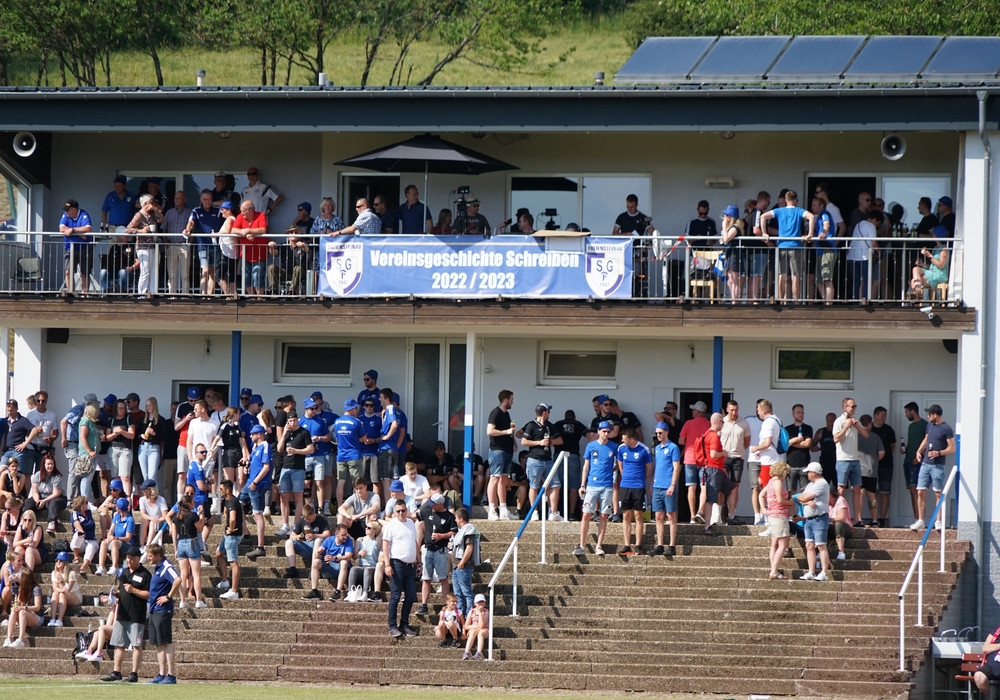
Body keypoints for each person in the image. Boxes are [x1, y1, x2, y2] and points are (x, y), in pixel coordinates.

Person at [100, 546, 151, 683]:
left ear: (138, 558)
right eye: (127, 558)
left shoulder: (145, 574)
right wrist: (113, 595)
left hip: (136, 616)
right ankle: (116, 672)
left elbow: (148, 594)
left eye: (131, 558)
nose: (129, 561)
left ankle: (134, 673)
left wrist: (133, 590)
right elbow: (121, 591)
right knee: (118, 644)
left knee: (136, 645)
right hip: (122, 614)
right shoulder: (124, 573)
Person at [759, 189, 815, 301]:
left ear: (785, 200)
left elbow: (763, 217)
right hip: (795, 246)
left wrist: (764, 233)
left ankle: (781, 301)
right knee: (795, 276)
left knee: (782, 275)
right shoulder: (799, 211)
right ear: (795, 200)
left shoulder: (779, 211)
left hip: (782, 246)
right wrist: (810, 234)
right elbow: (812, 217)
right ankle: (796, 301)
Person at [574, 421, 616, 557]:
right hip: (592, 484)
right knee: (586, 514)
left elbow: (619, 463)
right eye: (604, 431)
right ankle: (581, 545)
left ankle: (599, 545)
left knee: (604, 515)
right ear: (598, 431)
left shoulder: (613, 446)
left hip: (607, 485)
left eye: (608, 432)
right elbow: (586, 466)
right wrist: (582, 485)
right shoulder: (591, 446)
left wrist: (612, 470)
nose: (606, 434)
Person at [911, 404, 955, 531]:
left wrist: (939, 453)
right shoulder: (929, 426)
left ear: (935, 415)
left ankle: (938, 521)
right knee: (920, 491)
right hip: (925, 464)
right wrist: (919, 451)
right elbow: (926, 439)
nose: (928, 416)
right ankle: (920, 520)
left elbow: (952, 448)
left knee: (938, 493)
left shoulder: (946, 428)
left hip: (937, 465)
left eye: (929, 414)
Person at [382, 499, 419, 638]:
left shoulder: (411, 523)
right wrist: (387, 564)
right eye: (398, 511)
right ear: (394, 511)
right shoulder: (391, 525)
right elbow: (385, 545)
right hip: (396, 564)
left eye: (403, 510)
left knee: (410, 595)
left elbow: (415, 543)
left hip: (410, 565)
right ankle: (392, 626)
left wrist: (419, 561)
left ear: (407, 510)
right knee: (395, 595)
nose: (401, 513)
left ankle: (404, 624)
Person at [416, 492, 457, 615]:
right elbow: (416, 515)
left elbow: (454, 532)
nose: (431, 506)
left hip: (441, 550)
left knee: (443, 578)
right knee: (426, 578)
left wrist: (441, 536)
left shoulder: (449, 516)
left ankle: (446, 605)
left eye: (434, 504)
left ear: (440, 504)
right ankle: (424, 605)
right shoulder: (428, 511)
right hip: (428, 548)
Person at [145, 543, 180, 684]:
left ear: (158, 555)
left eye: (150, 556)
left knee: (166, 641)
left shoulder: (166, 566)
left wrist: (168, 596)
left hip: (163, 610)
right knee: (158, 643)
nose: (148, 558)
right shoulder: (157, 568)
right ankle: (161, 674)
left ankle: (171, 675)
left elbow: (178, 579)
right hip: (154, 610)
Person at [165, 488, 206, 609]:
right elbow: (200, 529)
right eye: (193, 502)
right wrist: (201, 515)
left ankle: (182, 601)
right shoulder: (193, 515)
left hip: (181, 543)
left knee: (183, 574)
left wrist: (175, 549)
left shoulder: (176, 517)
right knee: (196, 574)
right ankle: (198, 600)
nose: (194, 503)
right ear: (188, 504)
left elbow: (174, 534)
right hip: (192, 542)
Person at [616, 427, 652, 554]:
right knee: (626, 515)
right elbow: (620, 463)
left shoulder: (644, 449)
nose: (622, 441)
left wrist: (641, 479)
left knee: (638, 515)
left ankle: (638, 545)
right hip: (625, 485)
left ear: (631, 440)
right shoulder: (621, 448)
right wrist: (624, 475)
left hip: (638, 486)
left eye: (624, 439)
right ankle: (627, 545)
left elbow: (649, 467)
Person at [833, 397, 868, 528]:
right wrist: (846, 427)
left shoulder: (854, 421)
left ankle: (857, 518)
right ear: (845, 407)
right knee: (841, 489)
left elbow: (866, 435)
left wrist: (857, 425)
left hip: (855, 459)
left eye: (855, 406)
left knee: (857, 489)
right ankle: (839, 516)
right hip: (843, 459)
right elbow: (836, 438)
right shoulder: (839, 421)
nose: (854, 408)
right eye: (852, 406)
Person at [795, 463, 831, 581]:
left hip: (819, 518)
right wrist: (807, 502)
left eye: (809, 472)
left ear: (814, 473)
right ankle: (811, 571)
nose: (807, 474)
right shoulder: (810, 485)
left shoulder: (822, 483)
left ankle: (824, 572)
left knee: (821, 545)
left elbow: (804, 497)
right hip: (809, 519)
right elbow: (800, 498)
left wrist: (805, 499)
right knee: (809, 545)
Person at [649, 421, 680, 557]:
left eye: (660, 433)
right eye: (657, 433)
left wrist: (672, 485)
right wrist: (651, 483)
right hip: (657, 485)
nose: (658, 435)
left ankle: (672, 545)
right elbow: (657, 467)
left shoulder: (673, 447)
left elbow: (676, 467)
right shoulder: (657, 448)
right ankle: (660, 544)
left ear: (667, 432)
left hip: (668, 485)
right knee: (658, 516)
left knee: (671, 515)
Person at [126, 193, 166, 296]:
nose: (153, 205)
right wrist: (141, 231)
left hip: (154, 246)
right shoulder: (139, 215)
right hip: (143, 246)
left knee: (154, 271)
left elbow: (162, 220)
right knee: (145, 270)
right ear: (145, 203)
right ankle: (142, 293)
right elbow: (129, 229)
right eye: (152, 203)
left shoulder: (152, 214)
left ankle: (152, 292)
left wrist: (156, 209)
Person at [486, 390, 516, 521]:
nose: (512, 402)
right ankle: (492, 510)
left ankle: (503, 510)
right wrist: (506, 432)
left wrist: (514, 441)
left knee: (503, 480)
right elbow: (490, 431)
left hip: (507, 450)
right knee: (494, 478)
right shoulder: (495, 412)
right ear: (505, 400)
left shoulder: (506, 414)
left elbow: (509, 432)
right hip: (497, 450)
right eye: (511, 400)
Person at [303, 524, 353, 601]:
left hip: (342, 568)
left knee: (344, 562)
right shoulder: (329, 540)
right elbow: (317, 556)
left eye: (346, 534)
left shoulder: (348, 541)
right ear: (336, 534)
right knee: (316, 562)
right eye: (343, 535)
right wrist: (318, 552)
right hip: (330, 567)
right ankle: (314, 591)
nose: (345, 537)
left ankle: (338, 591)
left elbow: (348, 556)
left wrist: (335, 558)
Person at [679, 400, 710, 525]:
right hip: (704, 459)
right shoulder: (709, 424)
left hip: (690, 458)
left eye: (693, 410)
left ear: (697, 411)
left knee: (691, 487)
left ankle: (692, 516)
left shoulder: (688, 423)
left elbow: (681, 441)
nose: (692, 411)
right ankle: (700, 511)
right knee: (704, 486)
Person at [760, 460, 792, 580]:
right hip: (779, 515)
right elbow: (780, 500)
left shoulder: (770, 481)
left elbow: (761, 495)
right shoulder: (778, 482)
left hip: (772, 515)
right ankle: (774, 571)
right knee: (783, 544)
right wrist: (790, 502)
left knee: (774, 544)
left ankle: (774, 569)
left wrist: (763, 508)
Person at [59, 198, 95, 296]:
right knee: (68, 271)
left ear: (74, 209)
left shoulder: (84, 214)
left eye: (68, 210)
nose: (66, 212)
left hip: (84, 248)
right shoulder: (65, 215)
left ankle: (84, 295)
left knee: (84, 272)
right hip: (69, 248)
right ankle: (71, 293)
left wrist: (73, 231)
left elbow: (88, 228)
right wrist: (79, 233)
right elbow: (62, 228)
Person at [215, 480, 243, 600]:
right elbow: (227, 513)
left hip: (232, 536)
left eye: (221, 489)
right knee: (219, 553)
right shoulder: (227, 500)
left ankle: (234, 591)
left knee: (233, 562)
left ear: (227, 490)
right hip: (228, 536)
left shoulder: (232, 501)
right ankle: (225, 580)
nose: (219, 490)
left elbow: (232, 518)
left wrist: (231, 529)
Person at [24, 453, 65, 534]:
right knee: (28, 502)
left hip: (55, 498)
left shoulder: (57, 476)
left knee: (54, 503)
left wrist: (44, 501)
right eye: (48, 464)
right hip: (40, 497)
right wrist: (38, 501)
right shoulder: (37, 475)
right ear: (44, 465)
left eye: (52, 464)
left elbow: (56, 493)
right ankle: (25, 521)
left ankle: (52, 522)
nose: (50, 466)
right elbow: (35, 491)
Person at [2, 567, 42, 648]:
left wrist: (23, 608)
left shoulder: (36, 588)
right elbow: (19, 604)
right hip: (26, 614)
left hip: (37, 617)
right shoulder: (22, 588)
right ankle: (9, 638)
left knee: (22, 612)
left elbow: (37, 607)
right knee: (15, 610)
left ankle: (20, 640)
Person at [451, 507, 479, 615]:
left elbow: (469, 547)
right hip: (456, 567)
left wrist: (462, 562)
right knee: (458, 594)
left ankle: (468, 615)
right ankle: (460, 615)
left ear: (461, 519)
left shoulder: (469, 529)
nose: (455, 520)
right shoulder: (460, 531)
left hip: (463, 567)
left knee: (466, 592)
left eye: (456, 518)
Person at [96, 497, 135, 576]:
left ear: (120, 508)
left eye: (116, 505)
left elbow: (128, 538)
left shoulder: (130, 520)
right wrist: (108, 537)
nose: (115, 506)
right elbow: (111, 529)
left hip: (127, 544)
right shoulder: (117, 516)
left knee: (114, 542)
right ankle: (101, 567)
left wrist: (116, 538)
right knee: (104, 542)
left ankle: (114, 567)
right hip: (116, 541)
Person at [163, 190, 192, 294]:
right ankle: (172, 295)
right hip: (172, 245)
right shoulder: (169, 213)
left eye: (179, 198)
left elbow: (193, 230)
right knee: (171, 274)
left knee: (185, 274)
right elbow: (164, 229)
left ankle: (185, 295)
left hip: (184, 245)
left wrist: (189, 244)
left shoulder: (189, 213)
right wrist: (167, 243)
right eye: (175, 198)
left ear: (185, 200)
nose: (177, 200)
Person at [348, 519, 382, 602]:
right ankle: (350, 592)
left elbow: (384, 528)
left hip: (372, 566)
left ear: (374, 530)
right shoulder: (360, 540)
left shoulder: (377, 540)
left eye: (369, 528)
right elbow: (354, 557)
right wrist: (359, 553)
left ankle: (365, 593)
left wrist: (378, 520)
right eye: (366, 527)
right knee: (353, 569)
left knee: (367, 569)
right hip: (361, 565)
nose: (366, 529)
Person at [48, 550, 82, 627]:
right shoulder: (54, 573)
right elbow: (55, 587)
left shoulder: (71, 573)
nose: (58, 562)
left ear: (65, 563)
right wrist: (61, 590)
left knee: (62, 594)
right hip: (62, 593)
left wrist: (61, 580)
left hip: (74, 595)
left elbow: (68, 589)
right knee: (55, 593)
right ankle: (52, 619)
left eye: (61, 560)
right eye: (57, 560)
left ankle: (60, 619)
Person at [70, 495, 99, 574]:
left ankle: (84, 566)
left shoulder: (88, 513)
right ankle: (76, 556)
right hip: (80, 543)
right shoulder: (75, 514)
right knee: (78, 534)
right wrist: (81, 531)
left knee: (92, 546)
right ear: (80, 504)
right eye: (86, 502)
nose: (87, 504)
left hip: (91, 539)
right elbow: (76, 523)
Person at [138, 479, 168, 551]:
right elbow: (143, 514)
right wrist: (152, 518)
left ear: (150, 490)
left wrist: (157, 520)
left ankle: (148, 545)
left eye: (144, 489)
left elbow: (165, 516)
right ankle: (142, 545)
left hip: (159, 522)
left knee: (152, 522)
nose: (142, 491)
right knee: (144, 520)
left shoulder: (161, 499)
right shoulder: (142, 499)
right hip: (149, 521)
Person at [462, 593, 490, 660]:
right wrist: (474, 627)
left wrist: (480, 613)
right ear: (475, 603)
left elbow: (481, 626)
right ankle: (466, 652)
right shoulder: (472, 612)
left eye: (482, 601)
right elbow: (466, 626)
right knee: (472, 632)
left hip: (484, 630)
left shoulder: (486, 612)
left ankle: (478, 653)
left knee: (481, 633)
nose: (481, 604)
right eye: (479, 602)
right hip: (474, 629)